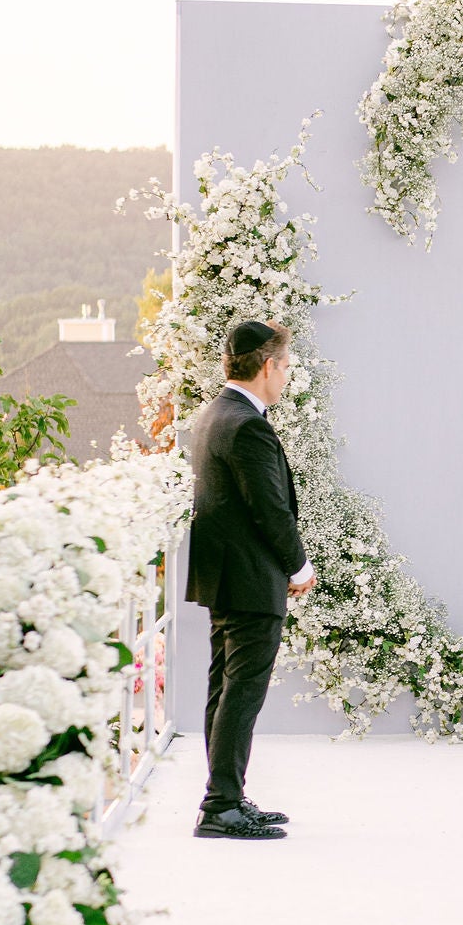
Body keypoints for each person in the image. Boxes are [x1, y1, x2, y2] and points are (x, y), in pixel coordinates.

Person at [184, 320, 313, 839]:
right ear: (268, 366)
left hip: (225, 576)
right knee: (242, 691)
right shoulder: (247, 424)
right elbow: (271, 511)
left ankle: (227, 796)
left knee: (225, 687)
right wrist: (298, 566)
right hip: (251, 577)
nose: (286, 376)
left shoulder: (215, 414)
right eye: (285, 366)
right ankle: (221, 807)